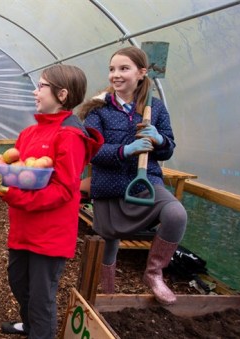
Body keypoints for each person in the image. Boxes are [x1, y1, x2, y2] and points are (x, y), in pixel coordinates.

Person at [0, 65, 103, 338]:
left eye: (41, 86)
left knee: (42, 298)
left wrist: (12, 194)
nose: (35, 91)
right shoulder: (29, 134)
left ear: (62, 94)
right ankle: (30, 326)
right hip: (23, 228)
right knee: (18, 283)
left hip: (50, 234)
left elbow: (64, 190)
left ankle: (40, 331)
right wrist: (2, 180)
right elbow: (20, 174)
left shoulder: (70, 136)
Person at [79, 46, 188, 305]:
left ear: (141, 73)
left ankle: (154, 273)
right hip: (109, 185)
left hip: (145, 183)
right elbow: (90, 151)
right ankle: (106, 289)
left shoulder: (156, 108)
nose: (115, 75)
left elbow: (168, 149)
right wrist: (125, 150)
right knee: (109, 240)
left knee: (176, 214)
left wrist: (159, 139)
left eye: (123, 68)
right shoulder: (98, 109)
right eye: (112, 69)